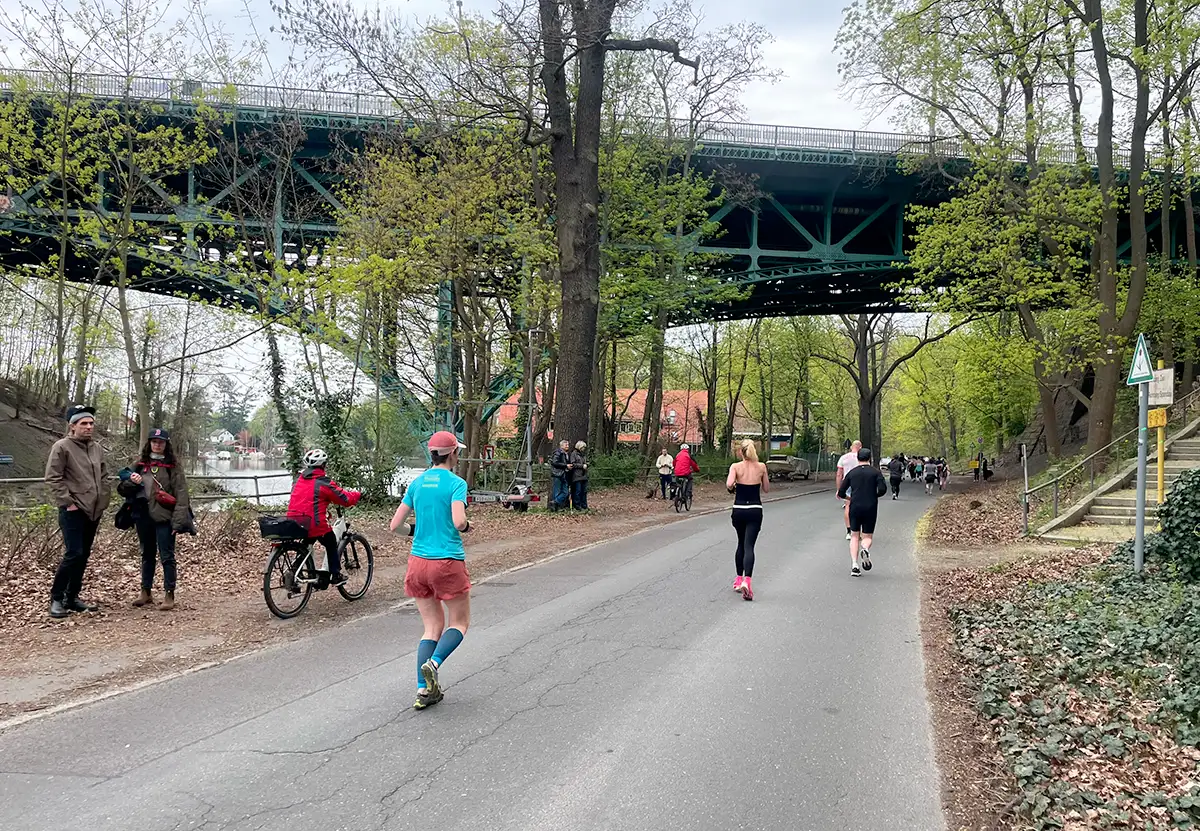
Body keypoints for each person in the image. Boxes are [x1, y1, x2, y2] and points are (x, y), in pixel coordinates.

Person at [389, 431, 472, 711]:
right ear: (453, 454)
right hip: (447, 561)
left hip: (418, 563)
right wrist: (467, 527)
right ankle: (433, 663)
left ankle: (423, 690)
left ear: (432, 454)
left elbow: (394, 526)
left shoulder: (417, 483)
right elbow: (459, 521)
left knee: (431, 627)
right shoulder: (456, 484)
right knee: (458, 623)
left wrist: (415, 530)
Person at [44, 404, 110, 619]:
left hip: (93, 510)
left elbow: (103, 475)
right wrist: (68, 502)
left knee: (84, 555)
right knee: (74, 553)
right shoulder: (62, 447)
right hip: (73, 510)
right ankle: (56, 598)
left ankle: (72, 598)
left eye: (91, 423)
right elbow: (53, 477)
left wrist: (103, 499)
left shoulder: (96, 448)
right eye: (84, 423)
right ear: (72, 426)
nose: (89, 427)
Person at [116, 428, 192, 611]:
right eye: (154, 441)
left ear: (166, 445)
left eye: (161, 442)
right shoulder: (140, 464)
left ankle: (169, 593)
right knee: (147, 555)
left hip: (165, 517)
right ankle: (146, 591)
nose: (157, 445)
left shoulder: (173, 466)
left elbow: (182, 495)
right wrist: (131, 481)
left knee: (167, 556)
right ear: (149, 443)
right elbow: (122, 489)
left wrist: (178, 522)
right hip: (143, 516)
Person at [285, 448, 361, 586]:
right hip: (312, 522)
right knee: (330, 541)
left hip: (294, 520)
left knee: (308, 540)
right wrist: (357, 495)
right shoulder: (322, 482)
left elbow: (306, 501)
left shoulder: (299, 479)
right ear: (323, 465)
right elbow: (344, 498)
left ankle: (296, 568)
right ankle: (336, 575)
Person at [726, 439, 769, 601]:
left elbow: (729, 484)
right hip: (755, 510)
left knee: (740, 543)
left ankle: (738, 579)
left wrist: (735, 485)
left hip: (739, 509)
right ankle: (747, 581)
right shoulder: (762, 467)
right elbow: (766, 489)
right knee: (749, 545)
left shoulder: (735, 467)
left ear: (740, 452)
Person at [836, 447, 888, 577]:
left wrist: (850, 498)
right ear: (869, 458)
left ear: (857, 458)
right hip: (870, 506)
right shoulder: (876, 473)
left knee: (854, 536)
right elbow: (883, 490)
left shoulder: (852, 473)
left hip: (855, 506)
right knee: (867, 536)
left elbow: (841, 492)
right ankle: (865, 549)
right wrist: (874, 495)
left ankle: (854, 565)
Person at [835, 440, 863, 541]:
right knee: (859, 507)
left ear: (851, 447)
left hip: (847, 484)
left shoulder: (843, 457)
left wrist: (839, 489)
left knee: (848, 506)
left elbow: (839, 474)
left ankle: (849, 531)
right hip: (859, 485)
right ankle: (857, 531)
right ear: (860, 447)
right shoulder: (861, 458)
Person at [549, 439, 572, 510]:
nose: (568, 446)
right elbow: (555, 463)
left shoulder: (566, 454)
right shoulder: (558, 453)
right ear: (562, 446)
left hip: (564, 474)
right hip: (558, 474)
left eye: (568, 445)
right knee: (557, 491)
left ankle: (555, 502)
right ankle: (556, 508)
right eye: (566, 445)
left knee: (565, 492)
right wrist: (565, 465)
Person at [569, 441, 589, 510]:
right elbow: (573, 464)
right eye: (583, 447)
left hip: (584, 475)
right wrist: (581, 466)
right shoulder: (574, 454)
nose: (584, 449)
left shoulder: (583, 455)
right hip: (577, 475)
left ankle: (584, 505)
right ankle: (577, 505)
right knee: (578, 491)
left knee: (584, 491)